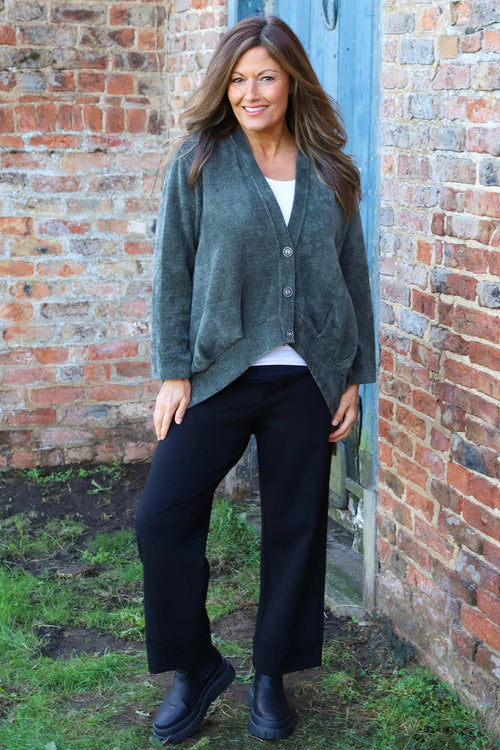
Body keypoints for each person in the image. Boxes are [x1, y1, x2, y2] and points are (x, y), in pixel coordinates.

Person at [135, 14, 376, 745]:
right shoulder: (199, 161)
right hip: (217, 374)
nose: (251, 92)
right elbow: (171, 270)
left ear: (292, 80)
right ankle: (194, 666)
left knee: (295, 527)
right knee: (161, 519)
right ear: (224, 86)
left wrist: (353, 375)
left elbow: (352, 273)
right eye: (238, 79)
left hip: (306, 380)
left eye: (266, 76)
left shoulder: (330, 168)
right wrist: (173, 372)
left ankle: (272, 673)